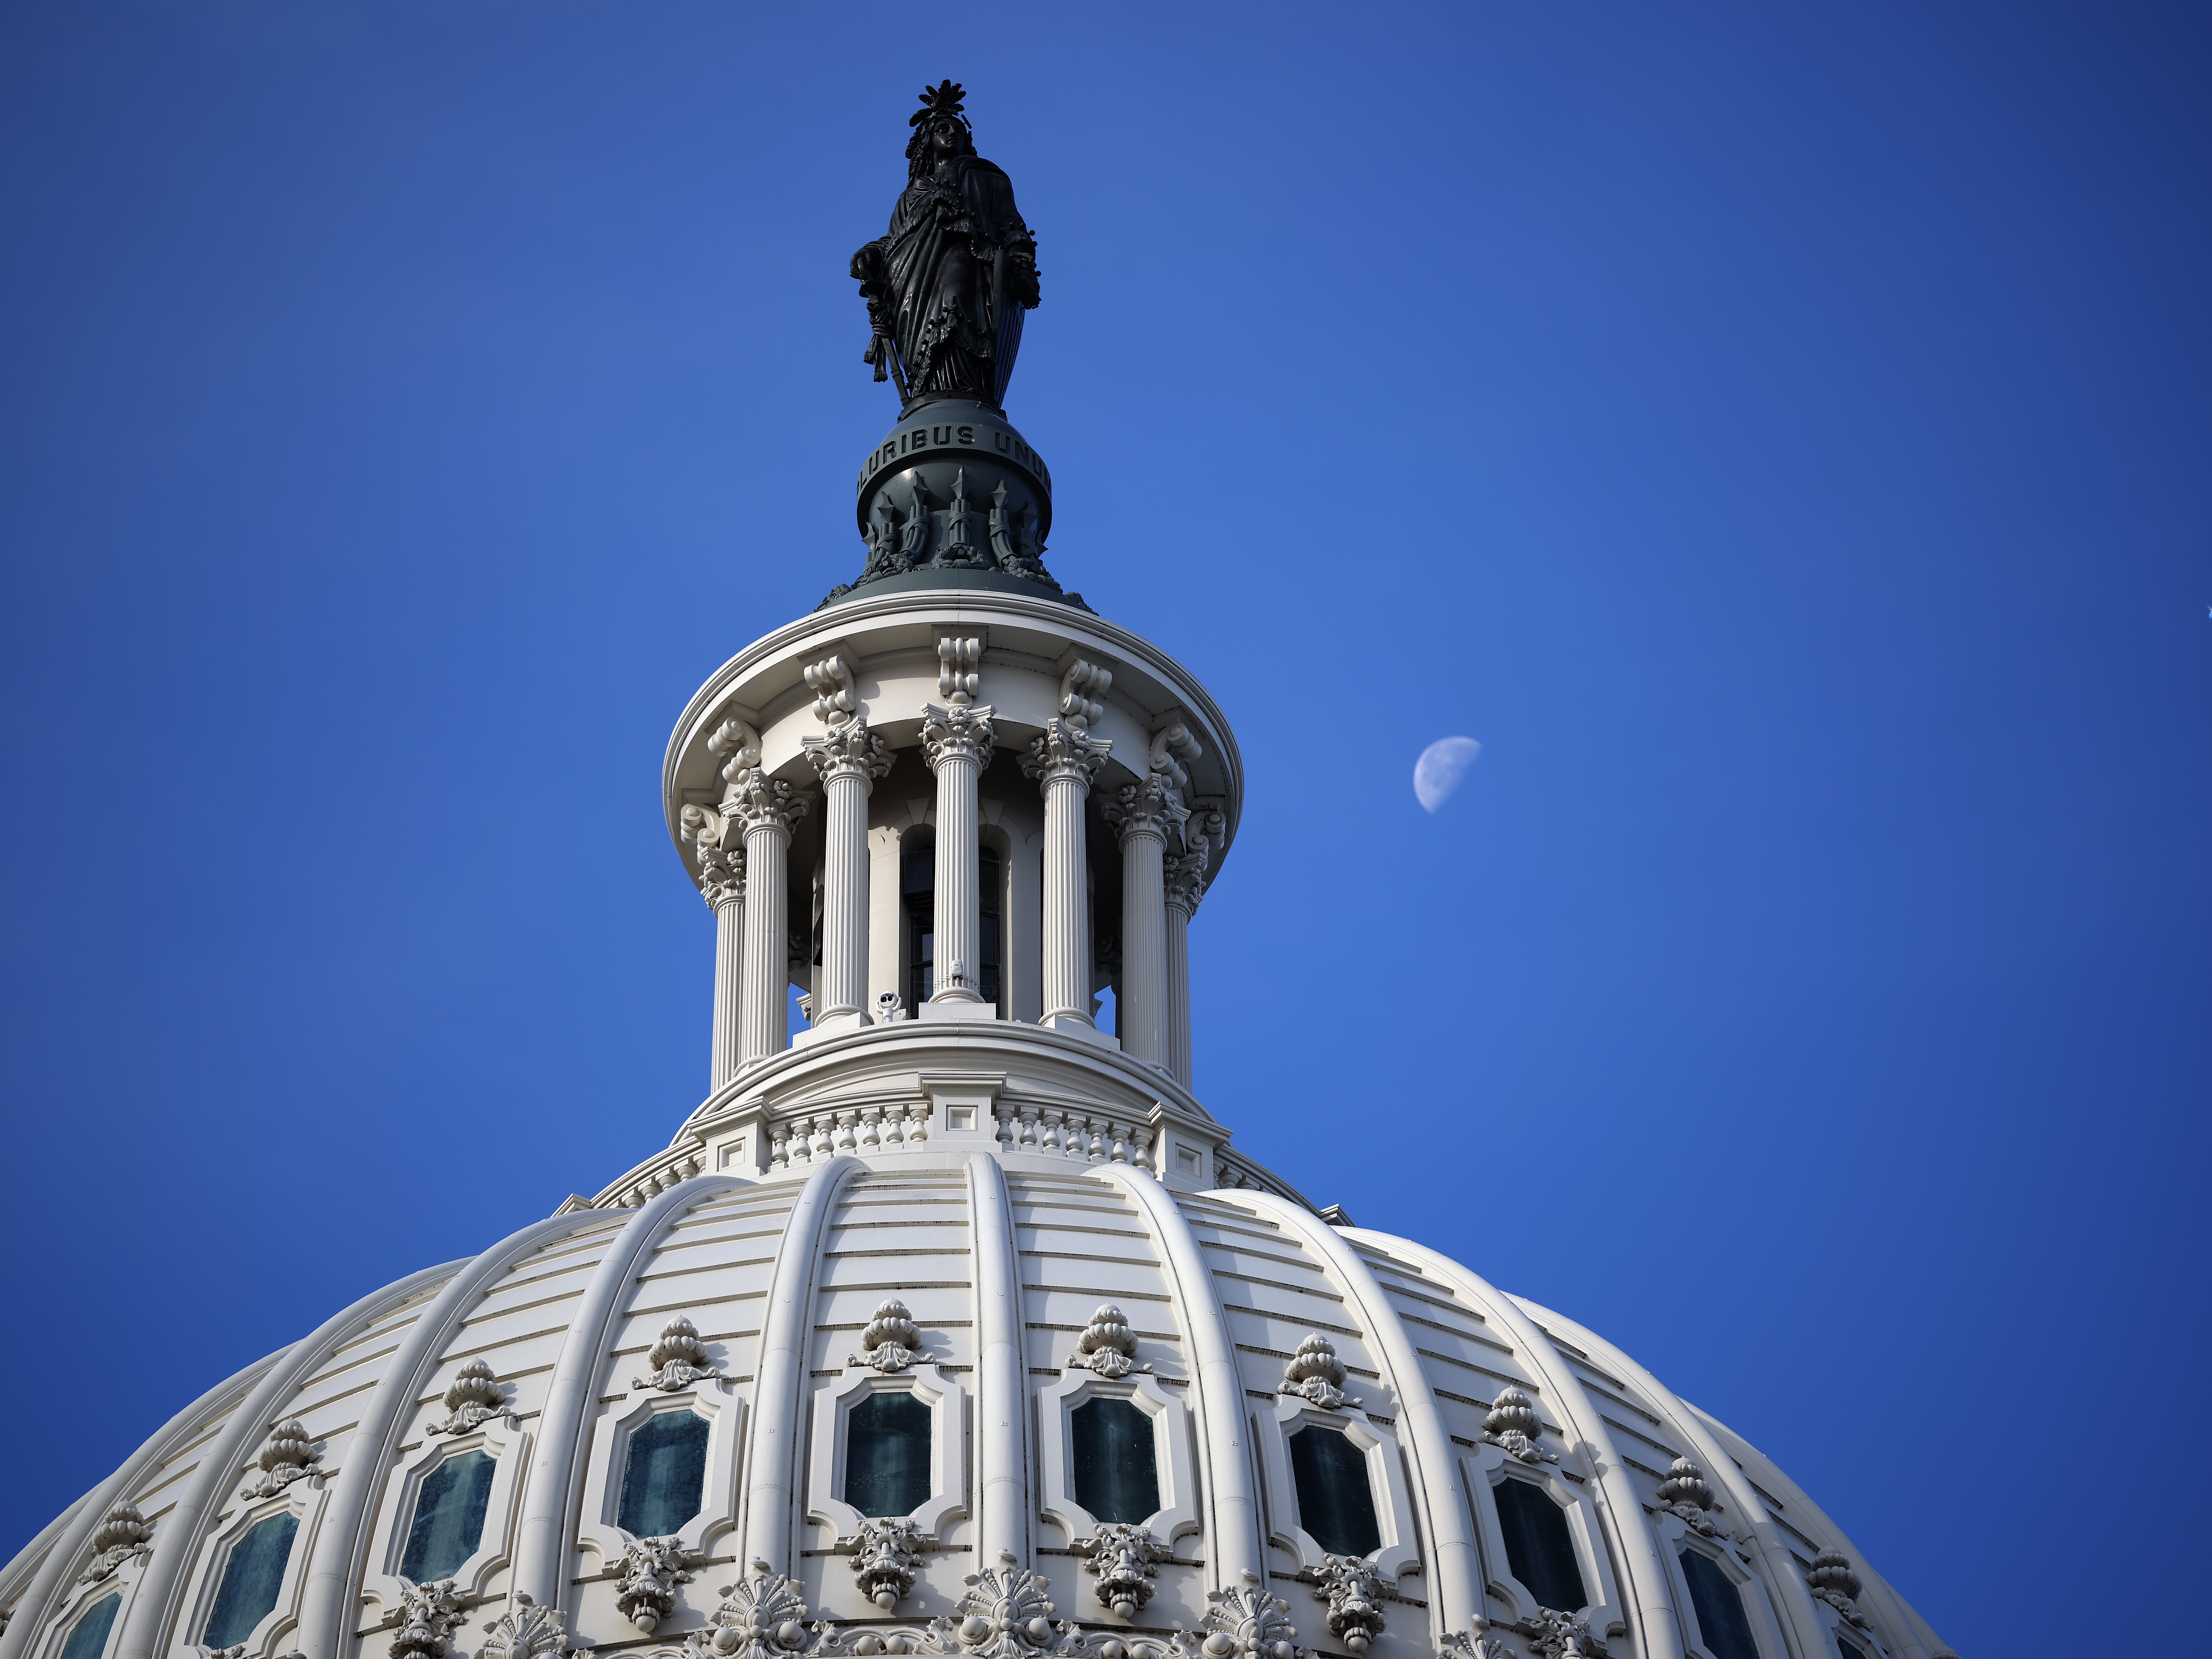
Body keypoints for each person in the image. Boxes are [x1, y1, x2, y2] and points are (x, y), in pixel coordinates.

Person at [852, 82, 1040, 408]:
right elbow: (894, 241)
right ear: (928, 142)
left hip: (966, 257)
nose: (951, 134)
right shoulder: (910, 196)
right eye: (942, 129)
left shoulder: (987, 178)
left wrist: (1020, 258)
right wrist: (872, 253)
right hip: (911, 280)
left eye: (958, 130)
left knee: (955, 300)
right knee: (922, 327)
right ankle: (928, 391)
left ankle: (964, 388)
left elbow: (1010, 224)